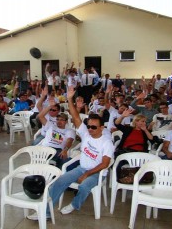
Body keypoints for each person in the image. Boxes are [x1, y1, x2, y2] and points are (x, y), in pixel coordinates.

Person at [28, 86, 114, 220]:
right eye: (89, 126)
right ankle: (46, 212)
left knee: (84, 186)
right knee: (59, 181)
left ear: (102, 128)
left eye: (94, 127)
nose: (90, 129)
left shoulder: (106, 142)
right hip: (82, 168)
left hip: (97, 172)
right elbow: (75, 117)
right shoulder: (86, 134)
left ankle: (74, 204)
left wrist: (87, 174)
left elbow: (105, 164)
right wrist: (69, 99)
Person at [37, 99, 75, 169]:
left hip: (59, 150)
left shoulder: (69, 131)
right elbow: (40, 116)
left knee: (64, 165)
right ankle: (49, 166)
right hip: (46, 148)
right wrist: (50, 106)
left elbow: (70, 140)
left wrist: (65, 150)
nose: (59, 121)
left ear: (66, 121)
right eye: (57, 119)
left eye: (62, 120)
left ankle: (55, 171)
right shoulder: (51, 126)